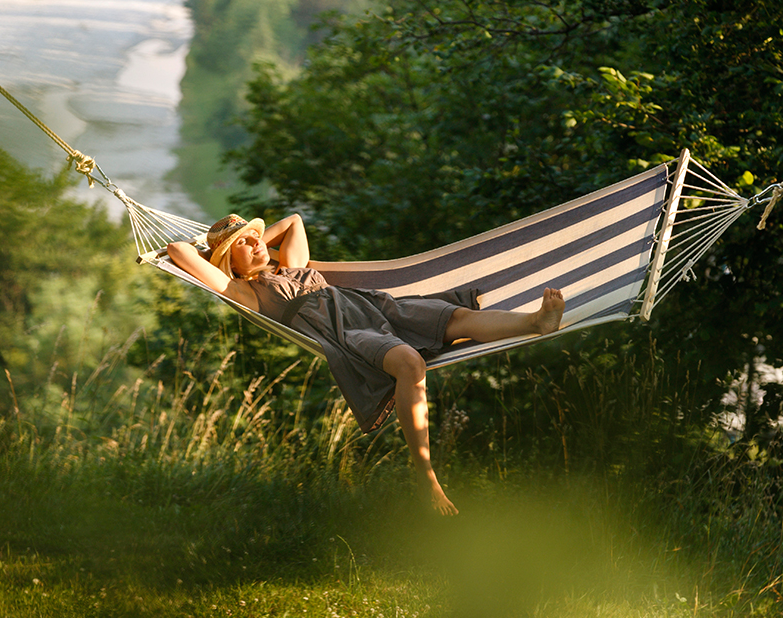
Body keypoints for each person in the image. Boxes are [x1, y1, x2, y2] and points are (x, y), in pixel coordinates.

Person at [166, 213, 565, 516]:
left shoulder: (292, 264)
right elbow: (178, 252)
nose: (256, 242)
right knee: (409, 363)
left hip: (376, 306)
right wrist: (222, 249)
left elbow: (293, 222)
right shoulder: (244, 291)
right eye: (245, 243)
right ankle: (427, 478)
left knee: (453, 318)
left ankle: (535, 322)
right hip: (346, 333)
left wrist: (245, 239)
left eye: (257, 237)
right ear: (227, 262)